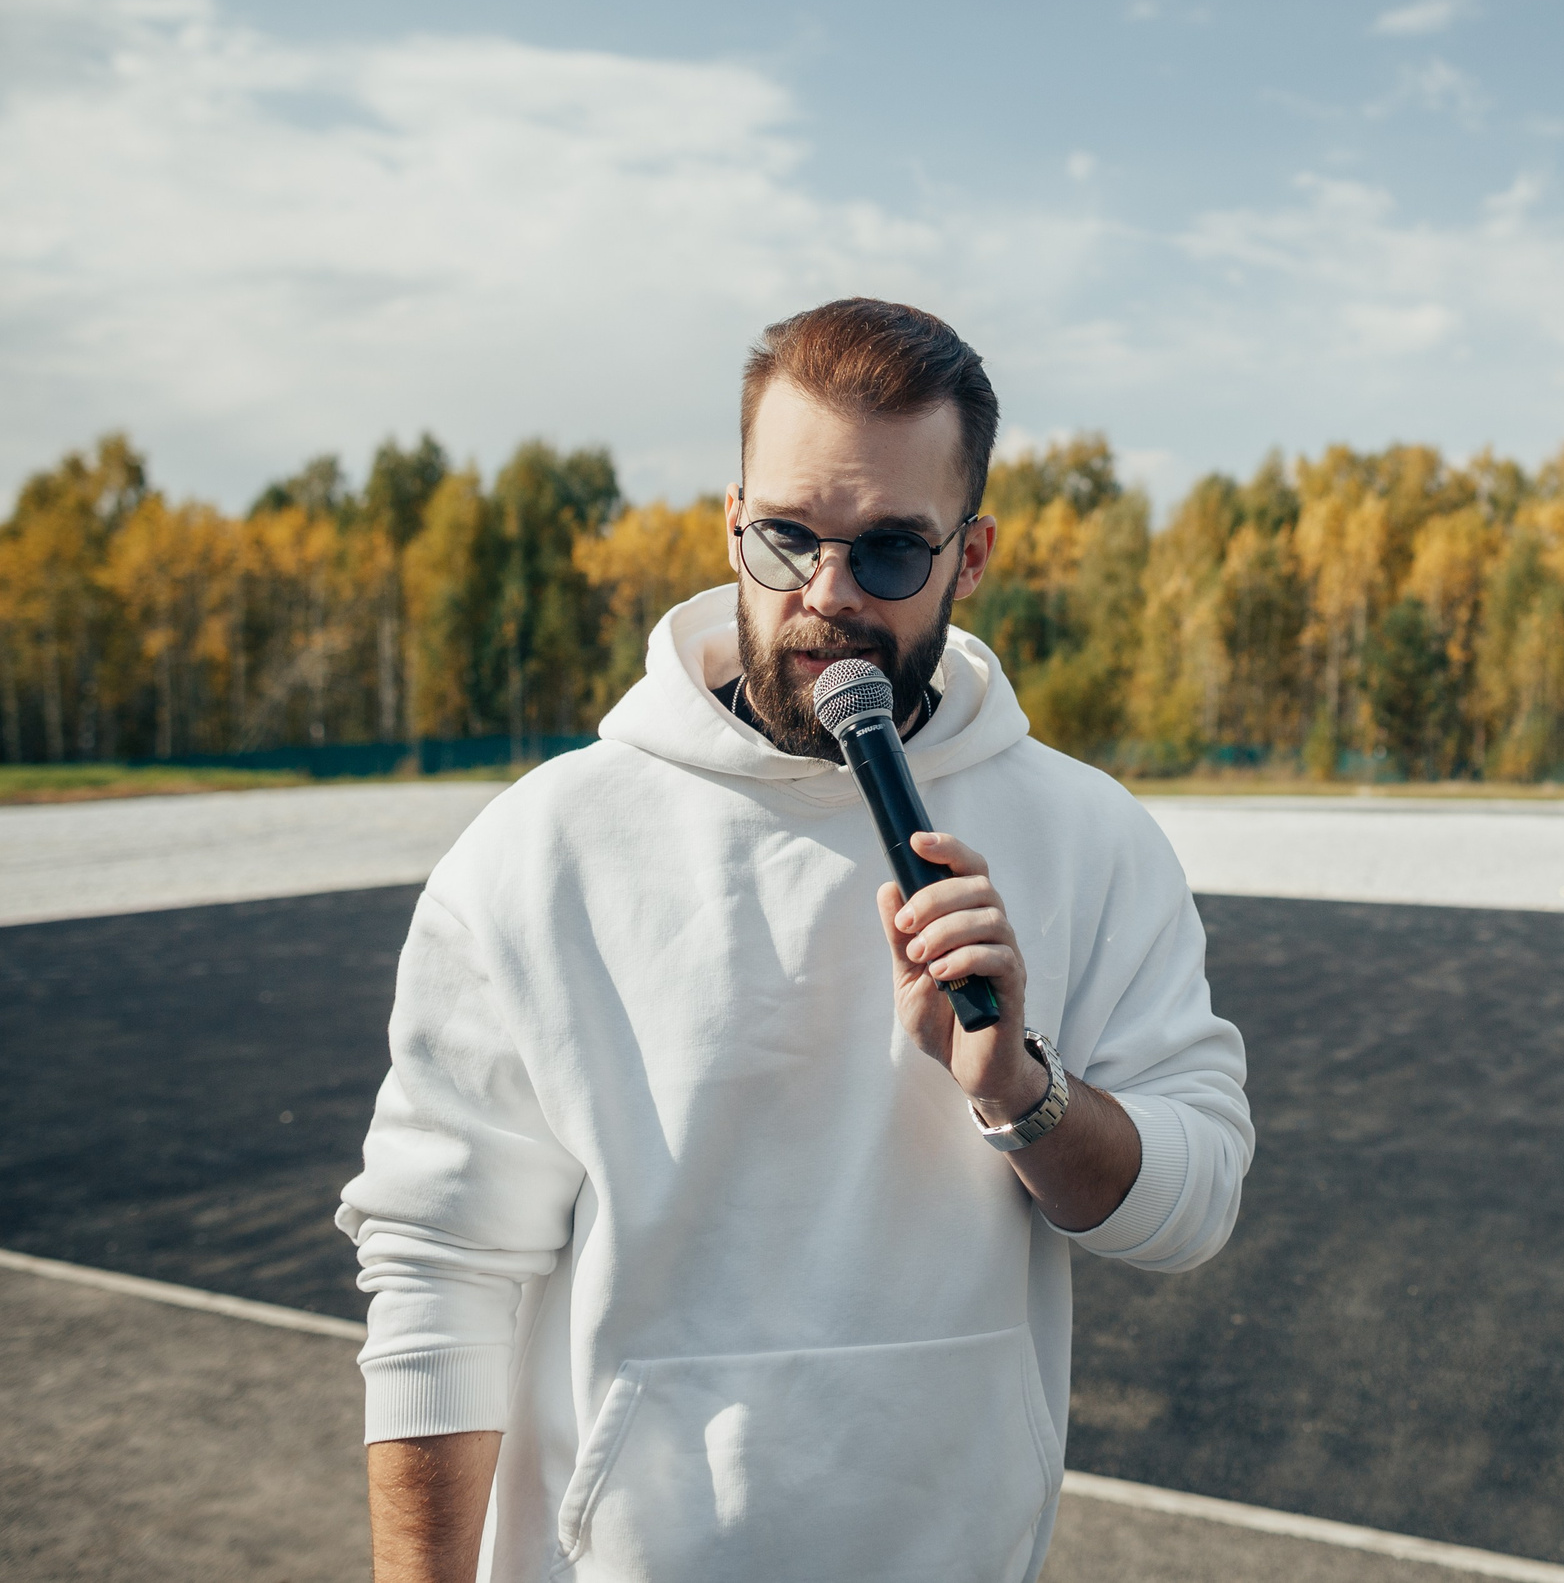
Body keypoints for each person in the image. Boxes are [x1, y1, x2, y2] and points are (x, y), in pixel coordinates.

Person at [339, 299, 1253, 1582]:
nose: (825, 597)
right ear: (731, 523)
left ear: (970, 554)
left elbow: (1192, 1203)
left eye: (888, 552)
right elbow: (439, 1270)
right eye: (785, 540)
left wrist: (1024, 1095)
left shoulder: (1088, 837)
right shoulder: (548, 846)